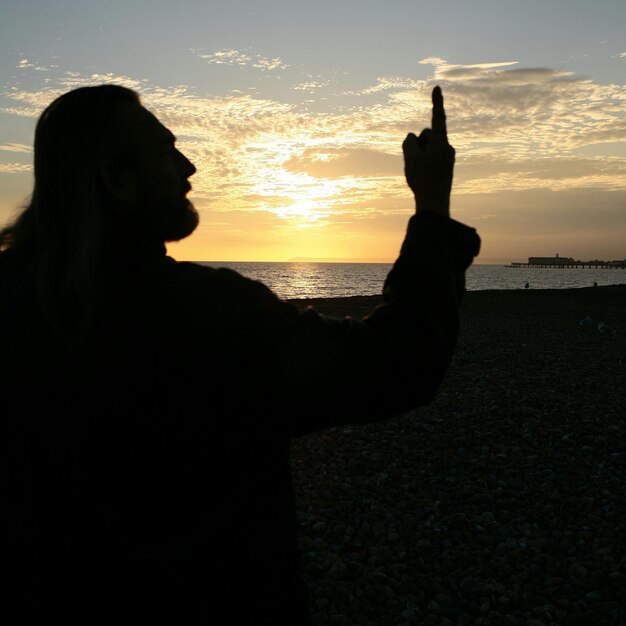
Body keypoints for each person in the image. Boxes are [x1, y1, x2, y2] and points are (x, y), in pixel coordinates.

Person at [0, 84, 480, 625]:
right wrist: (432, 206)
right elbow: (397, 363)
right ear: (118, 179)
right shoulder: (206, 314)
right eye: (165, 150)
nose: (189, 166)